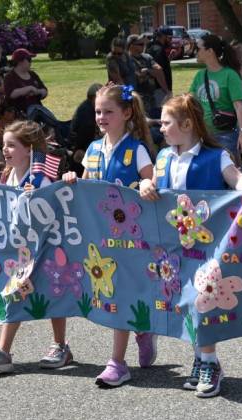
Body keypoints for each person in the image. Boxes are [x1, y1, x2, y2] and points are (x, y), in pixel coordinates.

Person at [140, 94, 242, 398]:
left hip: (208, 244)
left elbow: (237, 179)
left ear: (186, 124)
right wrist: (145, 185)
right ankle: (200, 356)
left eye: (167, 123)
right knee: (185, 302)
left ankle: (210, 362)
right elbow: (152, 184)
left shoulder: (215, 156)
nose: (162, 128)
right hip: (173, 244)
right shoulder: (164, 157)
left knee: (202, 299)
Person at [61, 85, 156, 386]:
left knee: (120, 295)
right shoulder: (92, 150)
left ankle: (117, 362)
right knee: (112, 293)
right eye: (98, 111)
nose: (101, 117)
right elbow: (87, 186)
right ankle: (142, 327)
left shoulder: (136, 149)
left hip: (131, 238)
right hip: (100, 237)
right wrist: (72, 178)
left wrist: (146, 184)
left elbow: (152, 179)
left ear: (126, 113)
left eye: (108, 111)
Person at [0, 120, 71, 373]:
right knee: (13, 293)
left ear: (29, 150)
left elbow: (51, 212)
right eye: (3, 145)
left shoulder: (40, 179)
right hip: (19, 250)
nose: (5, 150)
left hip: (44, 247)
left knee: (52, 294)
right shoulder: (7, 175)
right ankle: (3, 350)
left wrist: (32, 199)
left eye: (12, 145)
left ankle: (60, 345)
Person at [189, 34, 242, 166]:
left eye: (198, 48)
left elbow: (239, 106)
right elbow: (190, 101)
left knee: (226, 176)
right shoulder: (200, 75)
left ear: (210, 51)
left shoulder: (230, 75)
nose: (195, 52)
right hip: (203, 136)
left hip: (225, 135)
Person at [127, 34, 170, 118]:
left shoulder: (147, 57)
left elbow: (159, 70)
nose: (143, 46)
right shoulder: (126, 60)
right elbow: (138, 76)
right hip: (135, 98)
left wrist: (147, 71)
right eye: (140, 44)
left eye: (144, 44)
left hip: (151, 97)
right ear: (131, 46)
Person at [4, 48, 49, 115]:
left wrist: (37, 92)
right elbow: (11, 94)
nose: (31, 62)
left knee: (54, 122)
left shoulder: (33, 74)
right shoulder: (10, 77)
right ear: (20, 61)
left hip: (37, 109)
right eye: (29, 60)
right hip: (20, 113)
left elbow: (44, 91)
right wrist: (28, 89)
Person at [69, 83, 103, 164]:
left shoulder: (91, 106)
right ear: (93, 97)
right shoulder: (86, 113)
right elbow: (84, 136)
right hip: (82, 147)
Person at [147, 26, 173, 92]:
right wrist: (166, 90)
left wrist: (169, 58)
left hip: (157, 88)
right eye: (170, 38)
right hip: (160, 89)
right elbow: (158, 72)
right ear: (163, 36)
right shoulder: (158, 50)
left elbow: (161, 65)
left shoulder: (152, 47)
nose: (171, 40)